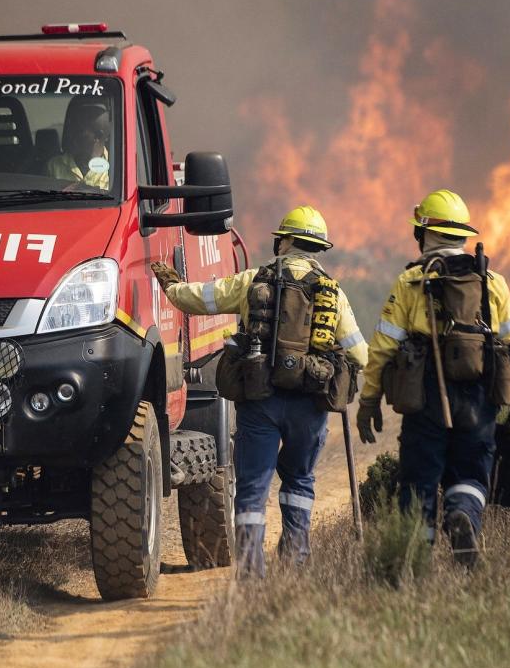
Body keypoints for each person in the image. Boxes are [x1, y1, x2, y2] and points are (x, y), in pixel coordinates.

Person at [151, 206, 368, 577]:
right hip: (308, 407)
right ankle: (295, 562)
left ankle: (252, 571)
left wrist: (171, 286)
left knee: (252, 487)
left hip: (260, 402)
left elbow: (200, 299)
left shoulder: (253, 281)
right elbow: (360, 354)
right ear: (317, 248)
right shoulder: (332, 293)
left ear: (283, 241)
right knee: (300, 481)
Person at [356, 189, 510, 568]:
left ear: (423, 233)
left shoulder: (412, 281)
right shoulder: (492, 281)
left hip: (426, 395)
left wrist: (369, 400)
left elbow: (384, 346)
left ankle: (416, 563)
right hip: (480, 396)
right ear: (462, 234)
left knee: (419, 478)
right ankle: (464, 513)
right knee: (470, 470)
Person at [46, 103, 111, 190]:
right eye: (72, 130)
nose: (72, 136)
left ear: (98, 136)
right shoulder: (54, 165)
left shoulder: (115, 169)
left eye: (80, 131)